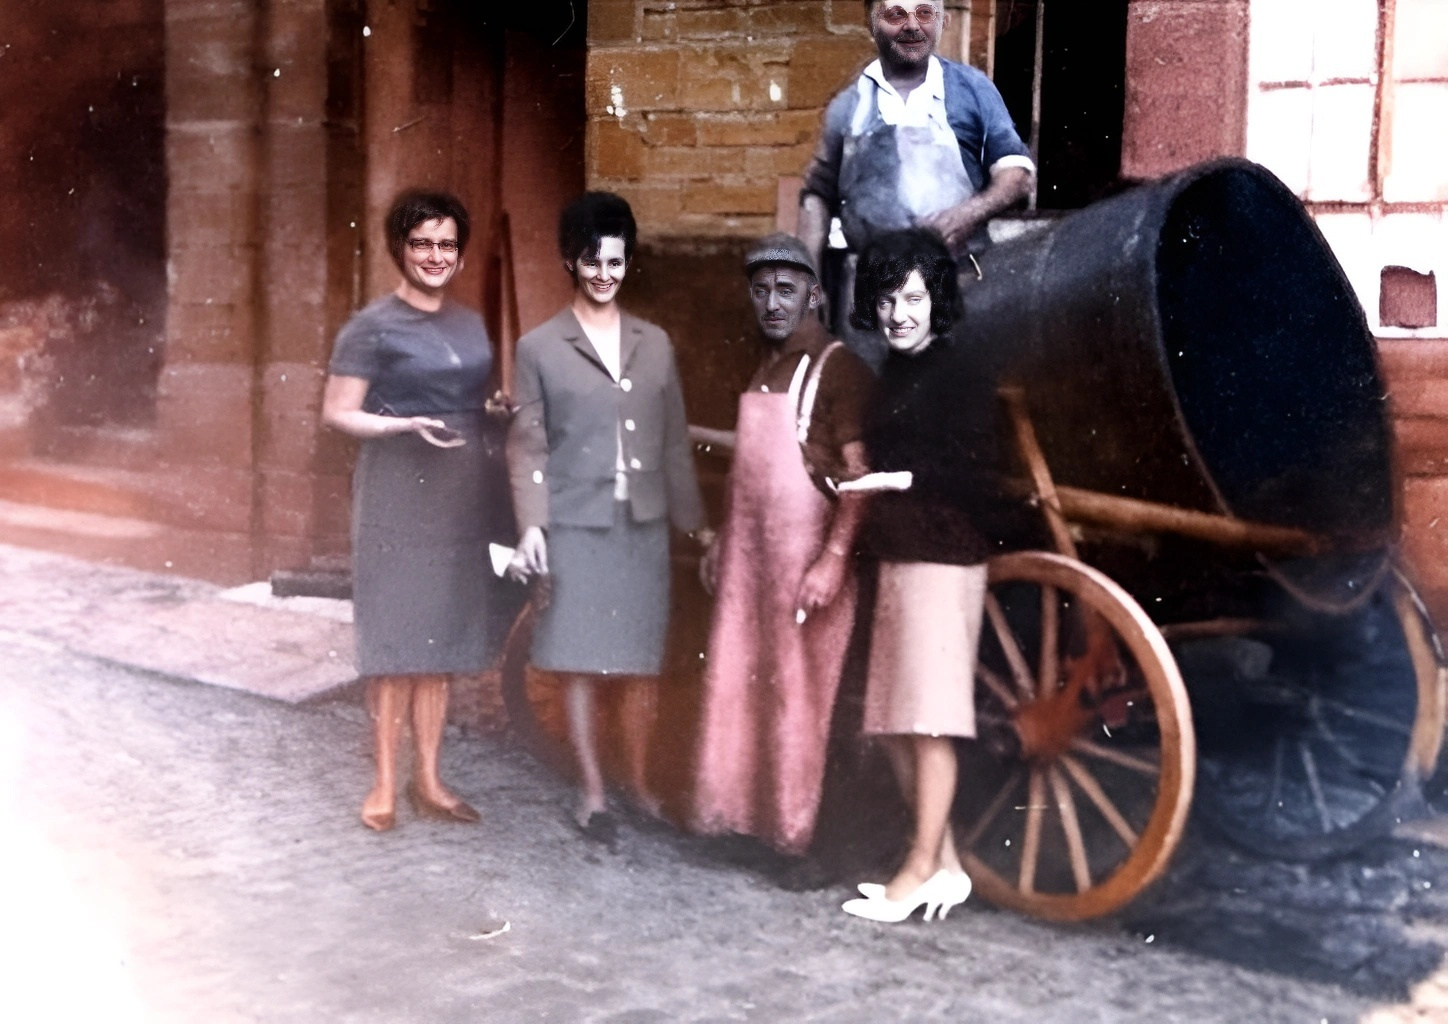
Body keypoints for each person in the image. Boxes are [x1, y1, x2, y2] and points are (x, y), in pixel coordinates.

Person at [506, 191, 710, 843]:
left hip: (642, 527)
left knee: (639, 664)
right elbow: (528, 444)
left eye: (615, 262)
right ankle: (593, 789)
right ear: (571, 262)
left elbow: (674, 442)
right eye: (591, 260)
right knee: (581, 660)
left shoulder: (656, 345)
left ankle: (641, 782)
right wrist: (533, 525)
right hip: (576, 524)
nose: (603, 274)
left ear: (628, 264)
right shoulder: (540, 347)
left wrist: (699, 527)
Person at [690, 233, 875, 856]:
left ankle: (794, 840)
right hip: (749, 562)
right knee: (738, 685)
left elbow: (859, 475)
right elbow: (751, 466)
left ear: (815, 295)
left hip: (804, 567)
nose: (773, 302)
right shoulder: (766, 365)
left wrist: (833, 558)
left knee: (799, 698)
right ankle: (737, 824)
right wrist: (722, 540)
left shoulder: (836, 366)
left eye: (787, 290)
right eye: (763, 291)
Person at [322, 189, 495, 832]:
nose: (435, 256)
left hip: (457, 491)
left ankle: (430, 778)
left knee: (441, 642)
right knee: (397, 643)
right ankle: (385, 785)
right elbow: (337, 411)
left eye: (447, 244)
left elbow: (470, 395)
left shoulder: (470, 323)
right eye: (421, 243)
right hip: (399, 488)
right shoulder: (371, 326)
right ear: (401, 249)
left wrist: (491, 412)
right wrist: (403, 426)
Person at [840, 228, 981, 923]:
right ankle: (947, 866)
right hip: (899, 556)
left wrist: (902, 478)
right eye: (888, 298)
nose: (899, 313)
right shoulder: (893, 373)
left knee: (929, 724)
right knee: (896, 722)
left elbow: (979, 476)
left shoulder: (958, 372)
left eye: (914, 298)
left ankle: (918, 868)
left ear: (936, 301)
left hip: (944, 557)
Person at [798, 0, 1035, 370]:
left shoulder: (973, 90)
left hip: (959, 288)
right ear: (870, 21)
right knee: (871, 407)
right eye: (896, 14)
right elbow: (816, 195)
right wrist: (808, 287)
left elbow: (1017, 176)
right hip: (873, 299)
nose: (912, 26)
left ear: (941, 19)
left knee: (949, 405)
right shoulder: (848, 107)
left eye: (925, 13)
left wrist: (966, 215)